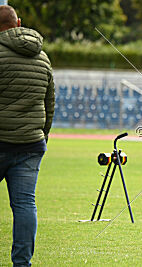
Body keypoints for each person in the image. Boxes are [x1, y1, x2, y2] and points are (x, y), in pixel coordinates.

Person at [0, 5, 55, 266]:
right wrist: (41, 136)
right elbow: (50, 104)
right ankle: (22, 263)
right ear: (18, 22)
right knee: (24, 205)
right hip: (31, 143)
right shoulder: (42, 57)